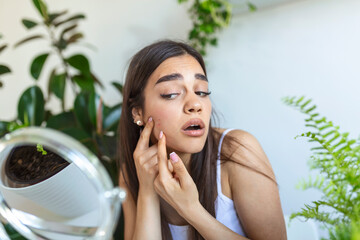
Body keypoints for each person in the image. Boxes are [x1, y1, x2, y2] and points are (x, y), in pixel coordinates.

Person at [117, 40, 287, 240]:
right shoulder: (133, 172)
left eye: (201, 91)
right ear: (138, 113)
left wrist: (191, 209)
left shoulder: (238, 151)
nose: (195, 104)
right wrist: (148, 192)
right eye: (171, 94)